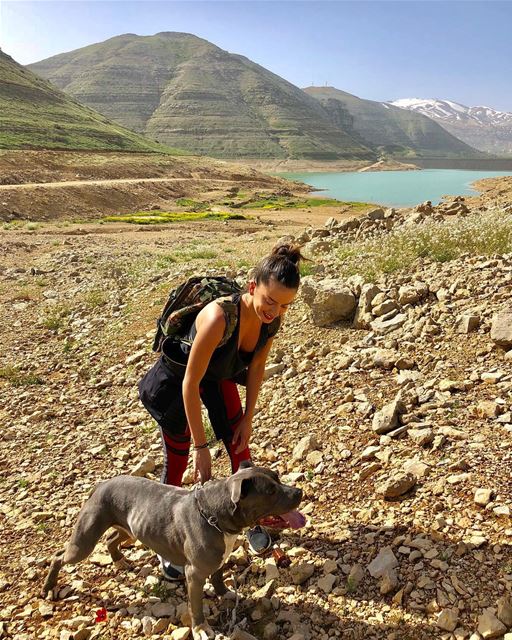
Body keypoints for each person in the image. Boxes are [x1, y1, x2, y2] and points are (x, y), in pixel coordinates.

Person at [138, 243, 303, 580]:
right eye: (270, 301)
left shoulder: (270, 321)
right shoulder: (219, 317)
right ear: (253, 286)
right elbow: (189, 382)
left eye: (285, 305)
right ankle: (167, 543)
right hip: (175, 384)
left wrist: (248, 418)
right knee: (180, 460)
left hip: (217, 376)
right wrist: (201, 447)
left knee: (240, 448)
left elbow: (256, 366)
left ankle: (250, 518)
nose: (275, 310)